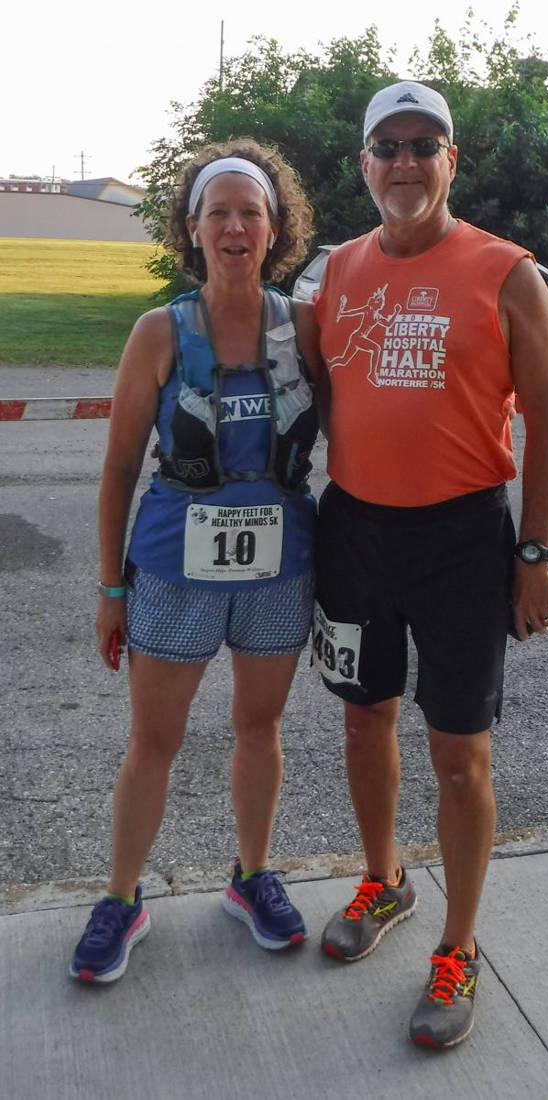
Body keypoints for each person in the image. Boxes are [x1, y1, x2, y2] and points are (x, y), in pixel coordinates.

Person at [312, 82, 548, 1048]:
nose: (406, 162)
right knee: (363, 717)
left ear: (451, 161)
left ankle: (459, 946)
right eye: (389, 145)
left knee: (460, 754)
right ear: (364, 164)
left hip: (463, 539)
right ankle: (385, 880)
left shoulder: (507, 273)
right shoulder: (337, 270)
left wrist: (534, 552)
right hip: (355, 530)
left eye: (426, 145)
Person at [70, 139, 322, 983]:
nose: (235, 227)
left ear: (276, 227)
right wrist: (111, 588)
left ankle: (252, 878)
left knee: (260, 727)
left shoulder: (305, 326)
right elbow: (117, 468)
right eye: (219, 212)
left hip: (279, 569)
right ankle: (121, 898)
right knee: (155, 738)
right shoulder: (159, 332)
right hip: (175, 569)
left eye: (251, 212)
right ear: (193, 227)